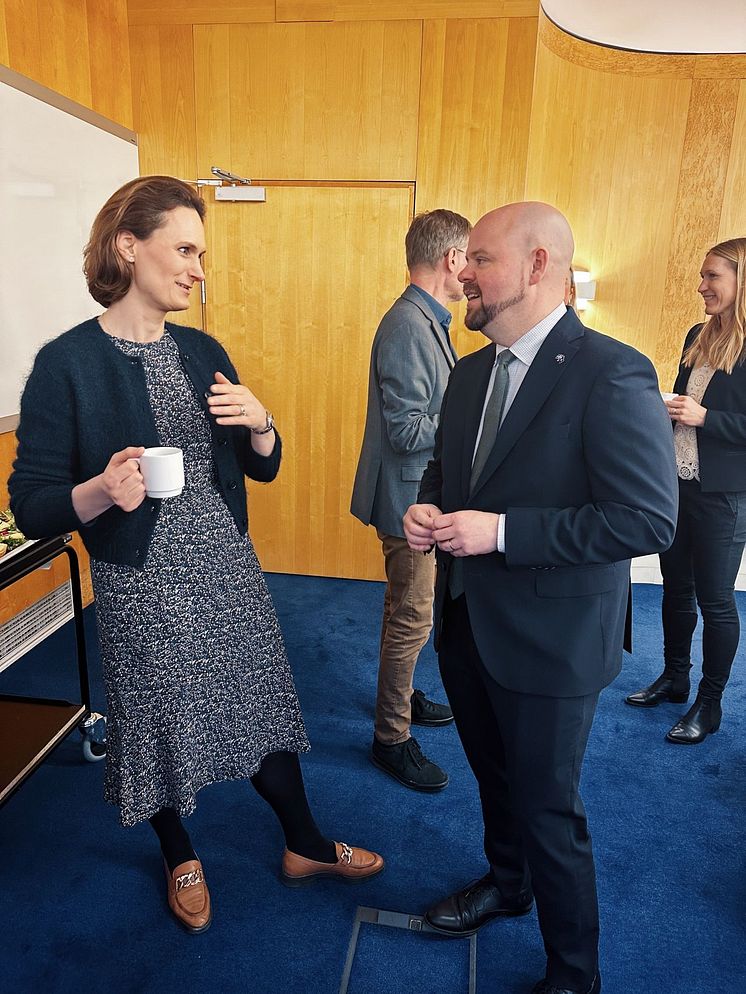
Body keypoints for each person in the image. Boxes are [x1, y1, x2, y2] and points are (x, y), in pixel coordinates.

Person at [9, 175, 383, 935]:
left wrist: (263, 423)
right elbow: (32, 500)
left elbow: (261, 465)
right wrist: (100, 493)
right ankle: (179, 850)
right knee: (157, 716)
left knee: (260, 701)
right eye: (185, 249)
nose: (198, 268)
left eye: (201, 253)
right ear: (128, 245)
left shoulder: (203, 348)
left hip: (223, 562)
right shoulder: (67, 363)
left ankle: (304, 844)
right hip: (138, 575)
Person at [403, 202, 678, 994]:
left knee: (548, 807)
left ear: (536, 266)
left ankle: (574, 972)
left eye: (479, 260)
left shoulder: (611, 369)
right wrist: (426, 508)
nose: (461, 275)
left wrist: (501, 534)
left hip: (555, 638)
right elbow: (447, 479)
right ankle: (506, 883)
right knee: (494, 777)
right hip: (467, 624)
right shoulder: (469, 373)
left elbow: (645, 518)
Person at [351, 209, 471, 792]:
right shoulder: (407, 324)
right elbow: (405, 431)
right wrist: (470, 420)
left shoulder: (427, 320)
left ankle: (400, 694)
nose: (471, 271)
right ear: (451, 259)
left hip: (415, 494)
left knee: (404, 610)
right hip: (408, 501)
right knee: (412, 617)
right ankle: (390, 736)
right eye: (469, 258)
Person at [626, 237, 746, 744]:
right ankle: (675, 678)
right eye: (703, 276)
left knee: (716, 601)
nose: (701, 286)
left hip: (725, 495)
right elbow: (684, 404)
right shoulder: (697, 334)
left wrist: (706, 418)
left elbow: (711, 417)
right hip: (676, 484)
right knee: (677, 590)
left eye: (712, 276)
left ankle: (709, 701)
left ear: (741, 281)